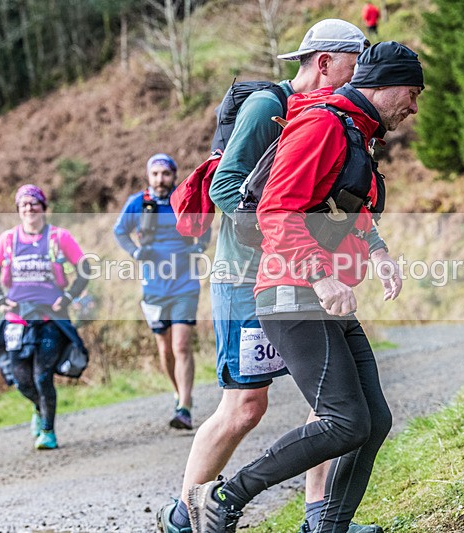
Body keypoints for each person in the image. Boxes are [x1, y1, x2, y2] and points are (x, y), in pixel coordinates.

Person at [157, 19, 387, 533]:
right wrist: (285, 249)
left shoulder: (335, 117)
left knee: (330, 400)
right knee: (244, 406)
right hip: (245, 276)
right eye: (356, 62)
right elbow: (225, 187)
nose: (362, 74)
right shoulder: (269, 107)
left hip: (297, 274)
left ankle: (321, 518)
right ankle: (186, 515)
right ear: (324, 62)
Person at [0, 184, 91, 450]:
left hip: (50, 319)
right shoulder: (8, 240)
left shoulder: (59, 237)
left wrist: (67, 298)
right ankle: (38, 407)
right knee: (22, 380)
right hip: (17, 319)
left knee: (43, 376)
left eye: (34, 203)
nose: (29, 208)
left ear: (43, 207)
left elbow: (84, 268)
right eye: (24, 204)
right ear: (18, 210)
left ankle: (48, 432)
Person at [114, 153, 209, 430]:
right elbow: (120, 231)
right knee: (165, 349)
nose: (160, 179)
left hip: (184, 284)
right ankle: (179, 392)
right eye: (155, 174)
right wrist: (135, 252)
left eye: (165, 173)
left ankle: (185, 407)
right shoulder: (139, 204)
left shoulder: (184, 197)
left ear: (173, 175)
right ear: (148, 176)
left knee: (181, 345)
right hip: (153, 287)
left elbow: (203, 225)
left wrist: (199, 246)